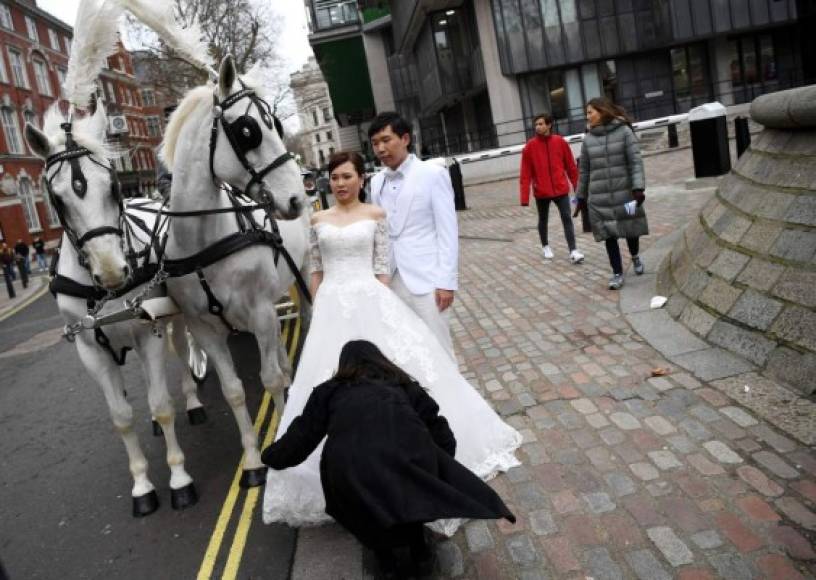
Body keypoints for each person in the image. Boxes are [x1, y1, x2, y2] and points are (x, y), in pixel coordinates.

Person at [262, 152, 521, 536]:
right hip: (332, 302)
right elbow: (315, 270)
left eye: (347, 176)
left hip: (370, 297)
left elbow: (382, 269)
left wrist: (378, 308)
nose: (340, 183)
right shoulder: (317, 219)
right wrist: (319, 309)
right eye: (334, 177)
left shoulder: (375, 216)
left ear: (360, 179)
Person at [262, 340, 515, 578]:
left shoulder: (328, 391)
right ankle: (420, 552)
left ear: (344, 364)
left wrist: (270, 457)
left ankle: (386, 562)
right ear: (379, 360)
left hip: (349, 469)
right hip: (405, 458)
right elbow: (440, 430)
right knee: (409, 487)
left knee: (363, 498)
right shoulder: (403, 385)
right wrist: (435, 471)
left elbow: (301, 437)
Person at [368, 112, 458, 358]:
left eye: (386, 140)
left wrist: (446, 282)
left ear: (405, 138)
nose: (380, 148)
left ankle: (449, 397)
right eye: (375, 143)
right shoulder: (376, 182)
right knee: (406, 352)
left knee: (440, 351)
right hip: (392, 279)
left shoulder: (432, 174)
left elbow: (448, 231)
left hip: (428, 279)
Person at [576, 97, 648, 290]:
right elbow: (584, 171)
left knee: (631, 229)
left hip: (626, 194)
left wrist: (638, 188)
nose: (587, 116)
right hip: (599, 197)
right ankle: (617, 273)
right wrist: (580, 196)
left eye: (590, 111)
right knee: (608, 234)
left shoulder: (624, 132)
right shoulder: (588, 139)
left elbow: (635, 162)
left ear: (602, 111)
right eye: (587, 112)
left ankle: (634, 256)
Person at [520, 113, 584, 264]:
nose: (538, 127)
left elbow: (571, 168)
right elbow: (525, 173)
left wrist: (577, 188)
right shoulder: (530, 146)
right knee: (543, 219)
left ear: (549, 125)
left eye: (541, 124)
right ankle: (545, 245)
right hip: (541, 191)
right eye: (536, 124)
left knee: (567, 218)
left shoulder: (560, 142)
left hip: (561, 189)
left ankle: (573, 250)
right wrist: (524, 197)